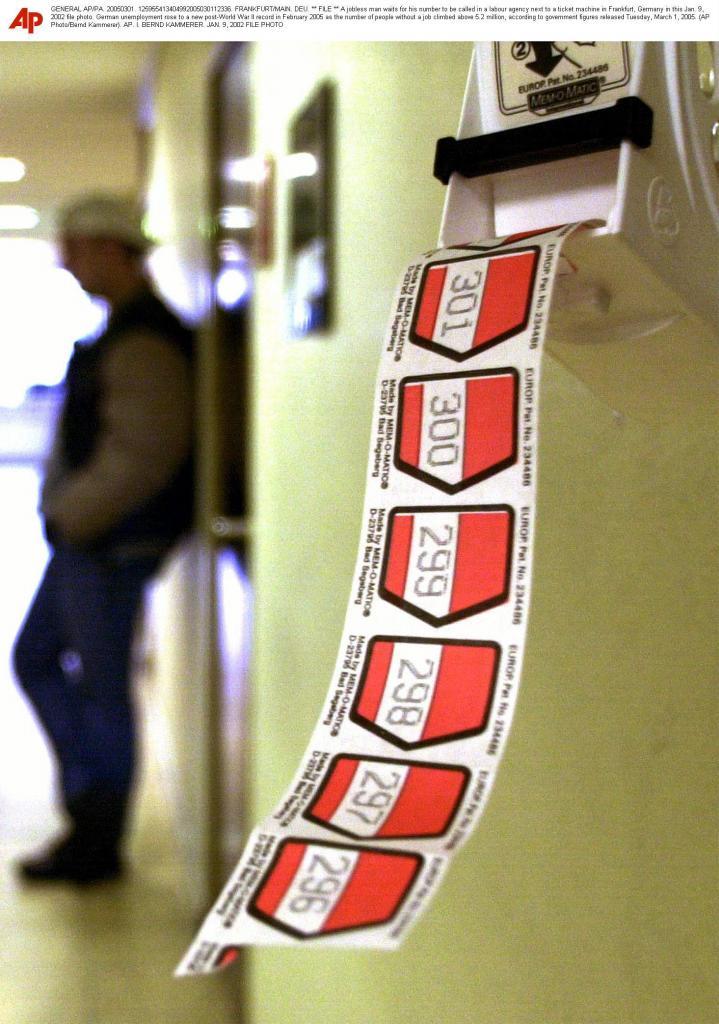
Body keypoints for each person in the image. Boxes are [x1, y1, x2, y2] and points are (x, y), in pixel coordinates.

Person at [12, 193, 195, 884]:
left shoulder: (144, 338)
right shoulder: (122, 330)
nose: (65, 259)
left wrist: (70, 517)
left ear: (114, 250)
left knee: (101, 690)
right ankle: (89, 807)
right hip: (92, 543)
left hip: (109, 545)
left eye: (77, 245)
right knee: (37, 659)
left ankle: (96, 833)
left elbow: (143, 455)